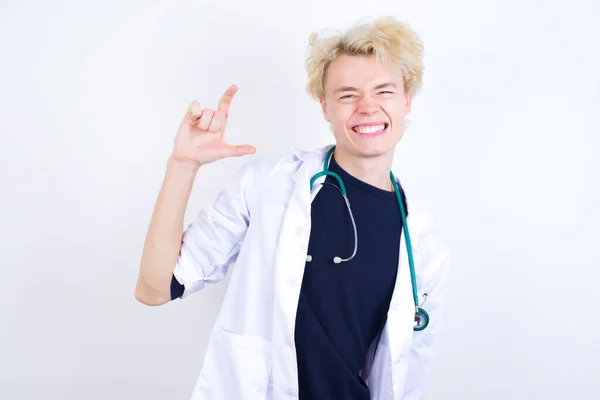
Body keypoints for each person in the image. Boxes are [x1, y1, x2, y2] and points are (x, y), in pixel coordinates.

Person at [135, 15, 451, 400]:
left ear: (407, 100)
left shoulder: (423, 242)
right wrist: (183, 164)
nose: (367, 107)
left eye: (384, 91)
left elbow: (407, 376)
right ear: (325, 107)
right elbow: (154, 288)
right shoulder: (268, 185)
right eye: (348, 94)